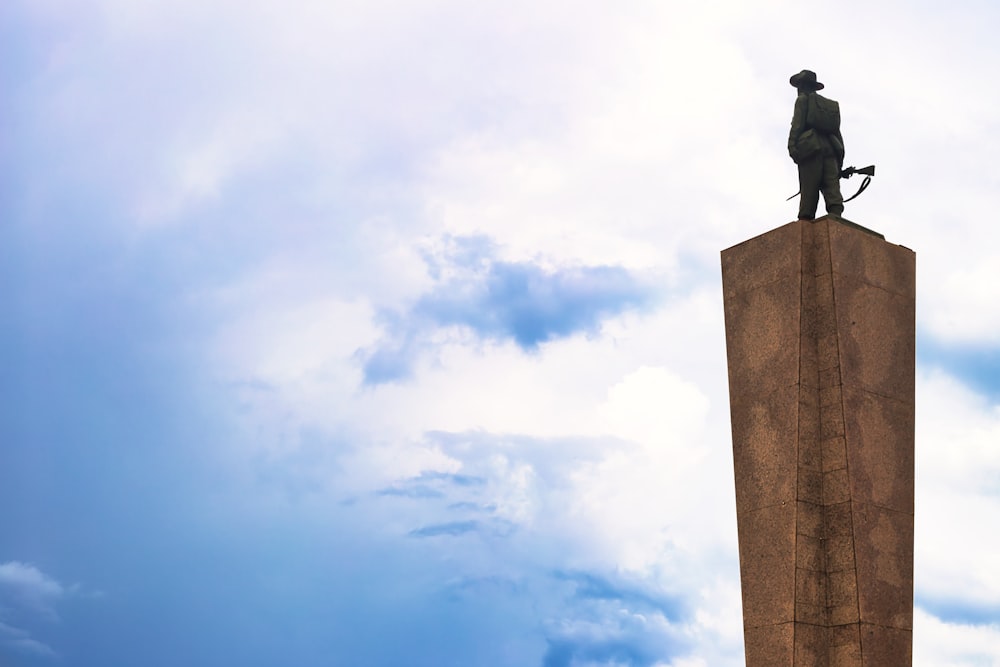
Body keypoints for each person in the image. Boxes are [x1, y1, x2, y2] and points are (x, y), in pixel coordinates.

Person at [788, 70, 844, 220]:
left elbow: (797, 126)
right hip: (831, 150)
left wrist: (792, 147)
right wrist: (840, 161)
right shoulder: (826, 107)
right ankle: (836, 217)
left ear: (802, 86)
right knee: (832, 188)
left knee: (809, 188)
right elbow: (837, 134)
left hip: (811, 149)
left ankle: (805, 222)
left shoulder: (802, 100)